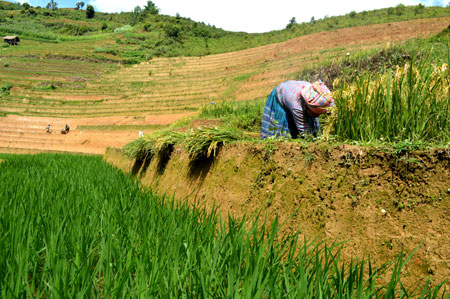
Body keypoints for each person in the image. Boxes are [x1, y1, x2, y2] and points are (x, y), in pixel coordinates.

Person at [260, 80, 334, 139]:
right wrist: (311, 141)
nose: (316, 116)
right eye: (315, 114)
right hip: (282, 93)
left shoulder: (324, 97)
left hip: (293, 87)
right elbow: (304, 130)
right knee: (283, 132)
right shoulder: (296, 105)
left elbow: (333, 109)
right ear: (306, 107)